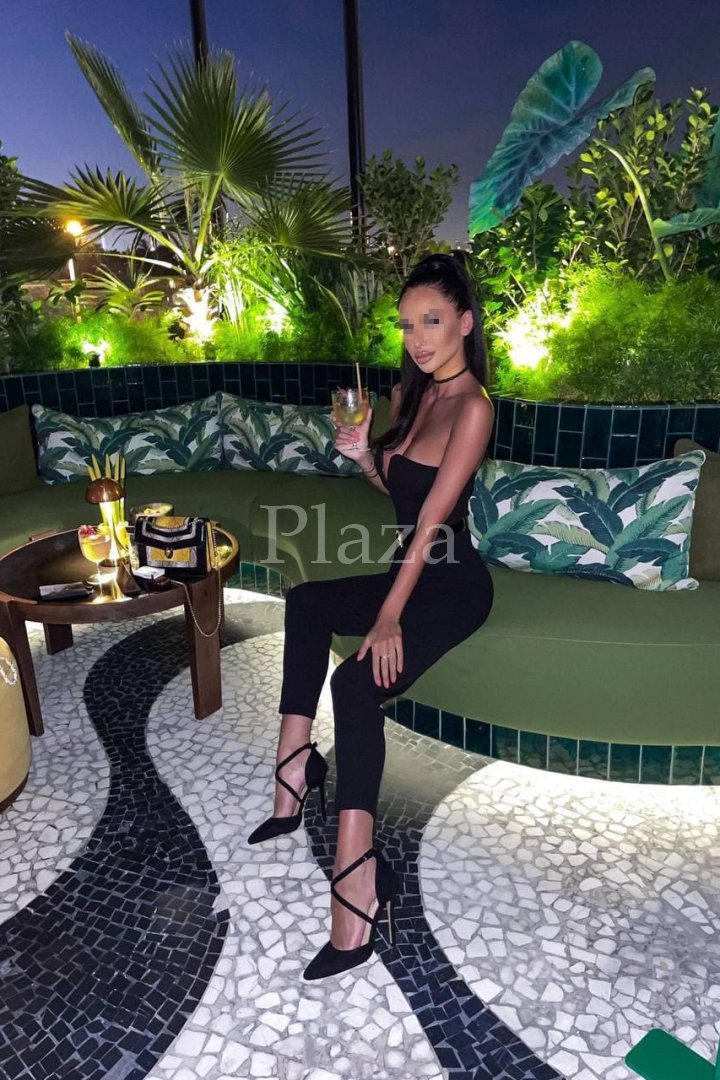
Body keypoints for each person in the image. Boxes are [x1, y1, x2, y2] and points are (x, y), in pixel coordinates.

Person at [247, 252, 495, 981]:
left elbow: (433, 522)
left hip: (451, 580)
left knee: (354, 684)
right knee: (306, 601)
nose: (417, 339)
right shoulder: (408, 393)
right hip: (408, 567)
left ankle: (358, 878)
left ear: (465, 323)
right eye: (407, 325)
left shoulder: (474, 407)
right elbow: (400, 492)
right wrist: (362, 455)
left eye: (432, 321)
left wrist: (389, 617)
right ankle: (294, 770)